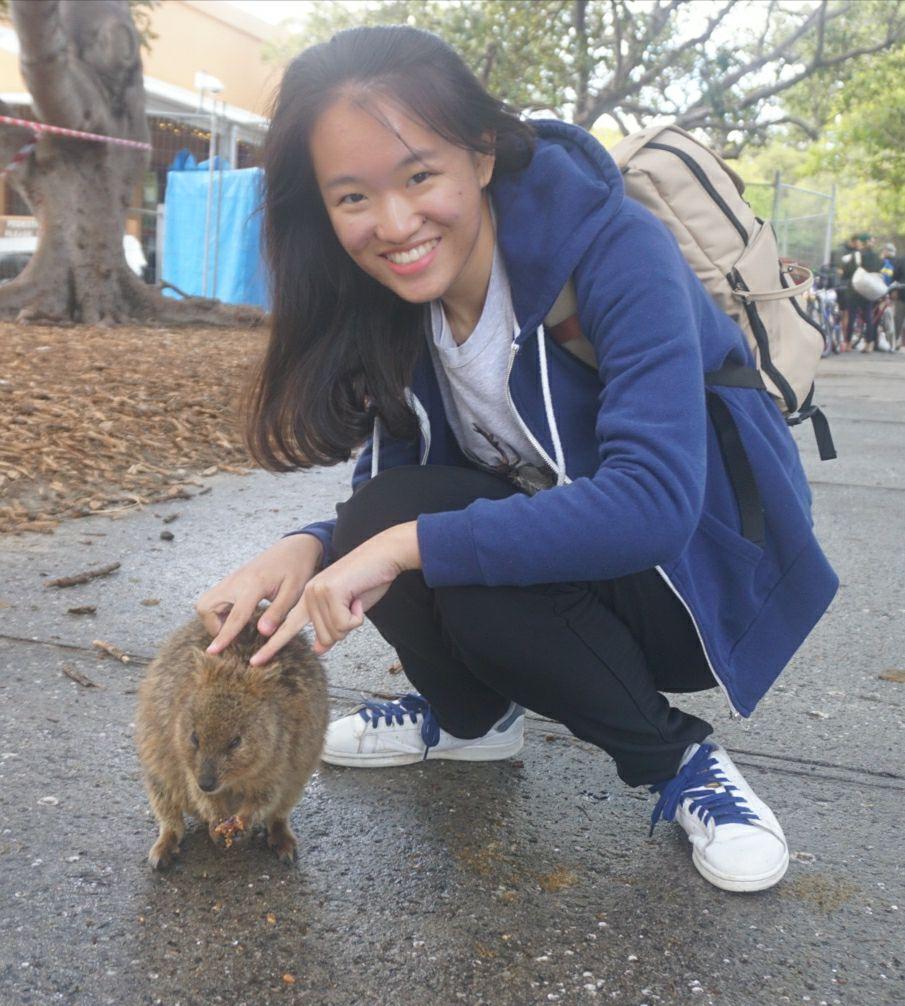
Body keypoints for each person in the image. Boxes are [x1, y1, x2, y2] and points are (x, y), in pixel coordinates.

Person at [195, 26, 838, 894]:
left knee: (442, 559)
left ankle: (680, 762)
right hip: (567, 560)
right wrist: (306, 547)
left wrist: (394, 547)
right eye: (352, 197)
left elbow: (650, 503)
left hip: (690, 580)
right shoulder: (393, 300)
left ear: (482, 154)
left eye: (419, 176)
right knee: (385, 515)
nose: (393, 224)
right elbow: (391, 500)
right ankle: (471, 721)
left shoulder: (617, 252)